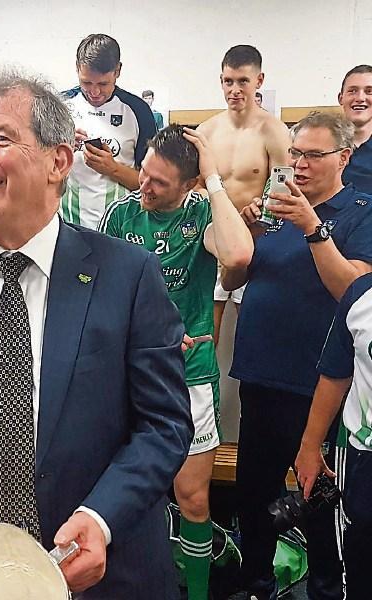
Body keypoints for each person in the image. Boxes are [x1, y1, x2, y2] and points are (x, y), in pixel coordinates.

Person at [0, 64, 192, 599]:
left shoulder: (128, 275)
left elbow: (163, 424)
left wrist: (101, 517)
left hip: (102, 573)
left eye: (1, 138)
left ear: (57, 161)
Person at [100, 124, 253, 600]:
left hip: (190, 376)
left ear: (188, 185)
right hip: (132, 374)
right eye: (143, 173)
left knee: (192, 499)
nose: (143, 186)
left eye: (159, 182)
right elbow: (104, 296)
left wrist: (213, 179)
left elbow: (239, 254)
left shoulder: (204, 212)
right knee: (130, 495)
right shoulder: (121, 216)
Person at [223, 111, 372, 600]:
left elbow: (354, 290)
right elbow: (236, 278)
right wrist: (246, 238)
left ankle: (330, 590)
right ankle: (256, 585)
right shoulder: (277, 208)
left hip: (321, 388)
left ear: (344, 157)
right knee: (255, 497)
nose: (300, 165)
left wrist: (312, 227)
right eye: (295, 155)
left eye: (313, 155)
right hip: (262, 377)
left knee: (320, 506)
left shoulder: (359, 211)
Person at [198, 45, 290, 345]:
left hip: (255, 243)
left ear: (259, 81)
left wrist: (260, 211)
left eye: (243, 81)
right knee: (205, 334)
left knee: (252, 334)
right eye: (228, 81)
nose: (235, 90)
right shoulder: (206, 132)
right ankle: (202, 391)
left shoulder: (273, 130)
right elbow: (194, 188)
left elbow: (282, 186)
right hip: (213, 245)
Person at [294, 272, 372, 600]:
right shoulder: (360, 295)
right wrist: (309, 447)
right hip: (362, 456)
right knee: (358, 562)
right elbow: (334, 377)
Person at [59, 34, 157, 229]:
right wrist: (58, 147)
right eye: (86, 83)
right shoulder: (59, 107)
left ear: (117, 71)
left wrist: (112, 168)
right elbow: (36, 170)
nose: (94, 92)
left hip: (121, 230)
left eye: (103, 84)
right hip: (69, 228)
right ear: (77, 68)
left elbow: (152, 185)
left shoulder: (138, 111)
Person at [339, 64, 372, 194]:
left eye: (369, 91)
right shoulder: (321, 145)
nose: (360, 98)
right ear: (340, 98)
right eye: (352, 91)